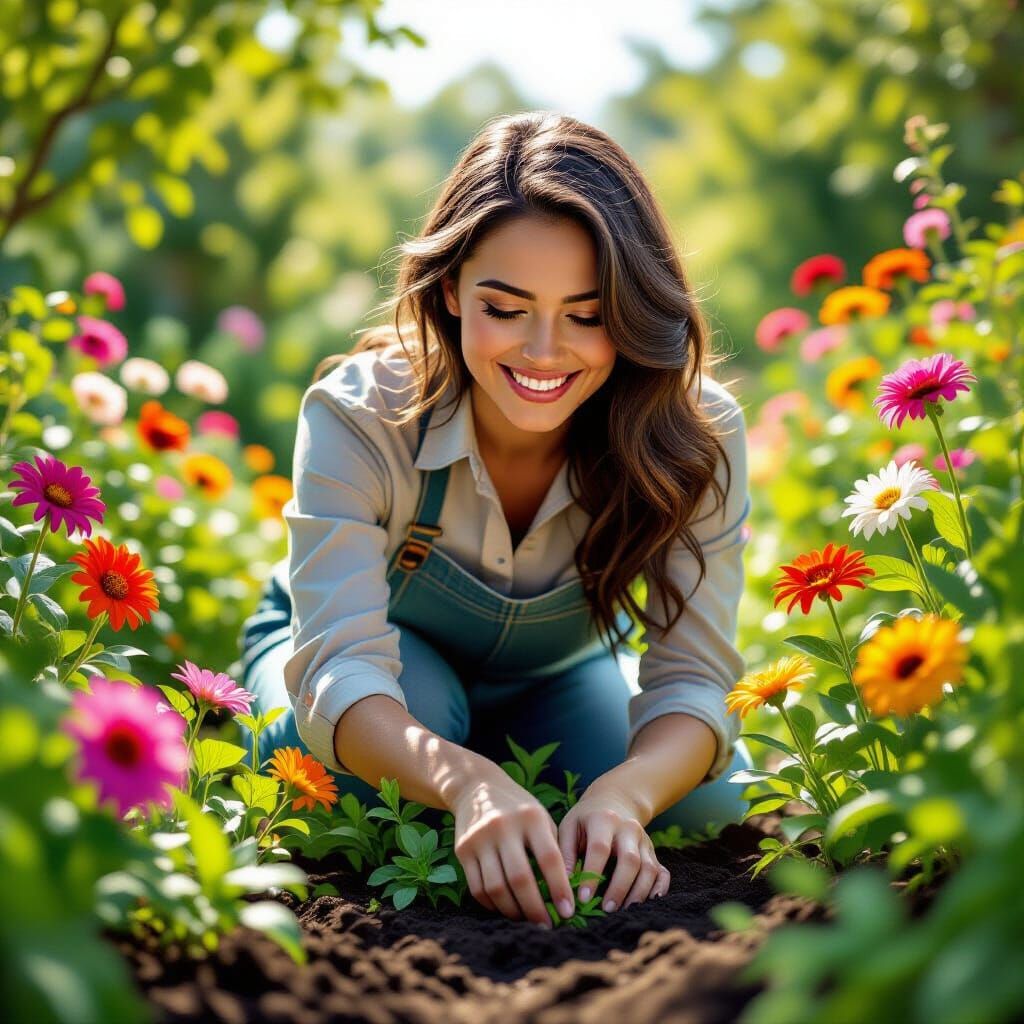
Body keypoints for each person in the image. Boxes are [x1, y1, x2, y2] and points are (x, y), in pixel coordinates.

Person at [240, 111, 755, 931]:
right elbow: (341, 670)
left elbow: (695, 681)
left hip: (551, 678)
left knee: (709, 806)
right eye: (505, 307)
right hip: (379, 663)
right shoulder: (362, 413)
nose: (544, 351)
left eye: (588, 315)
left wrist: (622, 795)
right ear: (450, 291)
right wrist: (466, 781)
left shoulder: (696, 435)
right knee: (341, 773)